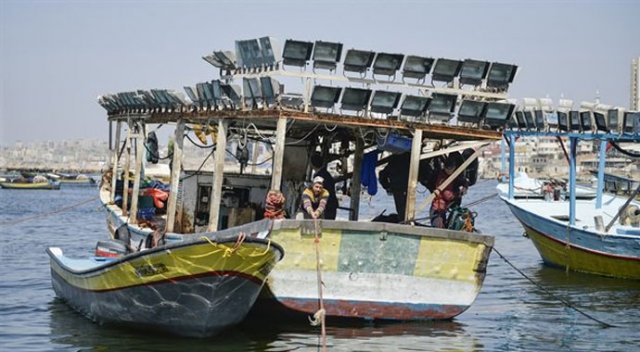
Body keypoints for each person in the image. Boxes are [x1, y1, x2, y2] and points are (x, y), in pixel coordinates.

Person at [430, 154, 468, 228]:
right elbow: (447, 195)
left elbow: (464, 182)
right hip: (437, 208)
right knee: (439, 226)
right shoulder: (440, 176)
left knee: (452, 222)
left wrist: (465, 188)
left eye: (451, 169)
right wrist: (458, 194)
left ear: (454, 168)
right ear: (444, 167)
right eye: (448, 169)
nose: (449, 171)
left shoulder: (455, 176)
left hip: (448, 207)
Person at [378, 152, 411, 220]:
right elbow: (382, 175)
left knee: (402, 209)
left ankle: (403, 221)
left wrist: (387, 186)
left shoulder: (393, 160)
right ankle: (404, 222)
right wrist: (387, 186)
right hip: (403, 186)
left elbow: (382, 175)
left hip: (399, 187)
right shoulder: (408, 158)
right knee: (404, 210)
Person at [310, 153, 338, 220]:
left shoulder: (319, 176)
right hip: (331, 204)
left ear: (313, 165)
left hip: (326, 206)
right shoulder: (326, 173)